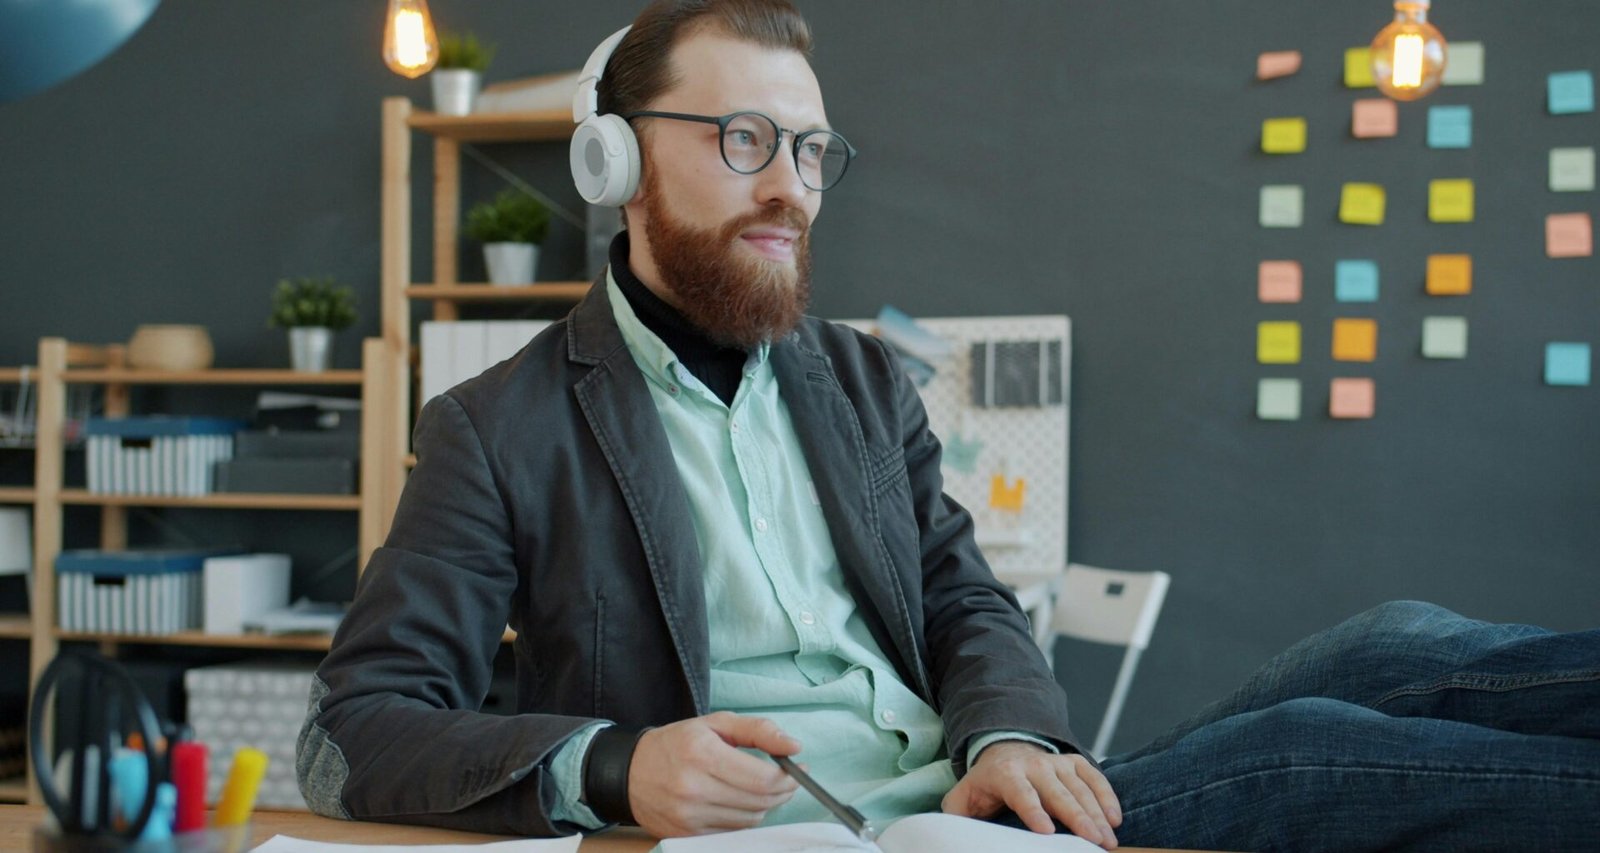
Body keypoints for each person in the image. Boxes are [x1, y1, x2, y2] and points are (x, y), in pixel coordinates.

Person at [298, 2, 1600, 850]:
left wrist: (1012, 734)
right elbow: (353, 729)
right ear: (616, 163)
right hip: (836, 833)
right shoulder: (498, 423)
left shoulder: (857, 380)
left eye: (811, 152)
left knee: (1392, 643)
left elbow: (968, 606)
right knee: (1313, 751)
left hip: (971, 807)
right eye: (746, 139)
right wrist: (617, 766)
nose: (791, 190)